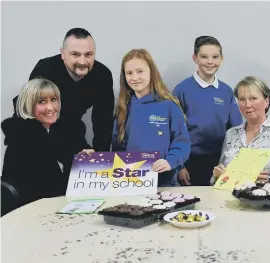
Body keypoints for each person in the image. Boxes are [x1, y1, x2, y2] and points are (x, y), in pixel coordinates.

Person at [2, 78, 93, 205]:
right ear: (28, 105)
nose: (50, 108)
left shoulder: (67, 130)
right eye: (41, 102)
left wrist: (85, 157)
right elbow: (36, 190)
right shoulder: (21, 138)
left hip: (67, 205)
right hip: (34, 210)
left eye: (54, 100)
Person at [24, 27, 114, 151]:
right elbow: (29, 113)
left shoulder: (102, 75)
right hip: (38, 132)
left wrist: (100, 157)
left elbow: (103, 121)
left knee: (86, 159)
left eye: (88, 54)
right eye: (75, 54)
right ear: (62, 53)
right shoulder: (45, 70)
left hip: (72, 131)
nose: (82, 61)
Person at [111, 49, 190, 187]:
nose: (134, 77)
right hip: (131, 183)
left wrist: (170, 162)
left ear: (151, 72)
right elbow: (117, 148)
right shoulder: (123, 108)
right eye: (129, 73)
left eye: (140, 71)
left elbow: (182, 143)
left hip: (165, 182)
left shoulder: (169, 105)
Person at [173, 36, 242, 186]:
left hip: (221, 162)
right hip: (190, 162)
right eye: (204, 57)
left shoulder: (226, 91)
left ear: (222, 59)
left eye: (215, 57)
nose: (210, 62)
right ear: (195, 58)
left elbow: (236, 129)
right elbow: (174, 131)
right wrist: (180, 166)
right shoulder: (182, 90)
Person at [211, 76, 270, 184]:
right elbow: (219, 179)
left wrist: (268, 181)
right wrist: (217, 176)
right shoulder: (231, 134)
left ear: (266, 101)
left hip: (264, 198)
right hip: (228, 198)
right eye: (242, 99)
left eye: (253, 98)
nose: (247, 105)